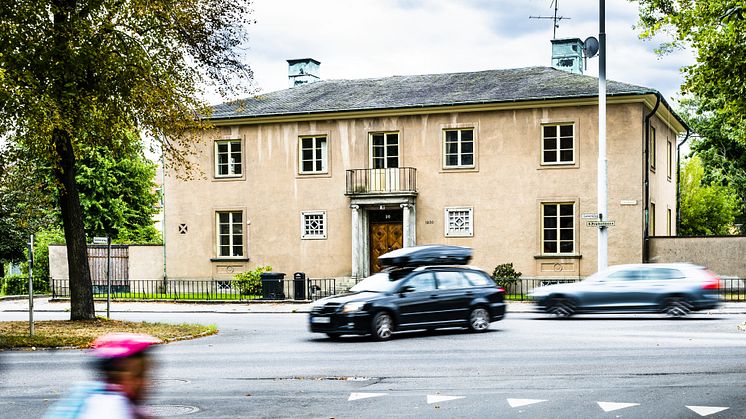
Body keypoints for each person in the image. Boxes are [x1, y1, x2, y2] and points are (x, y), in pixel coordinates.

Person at [44, 332, 161, 419]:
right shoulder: (108, 408)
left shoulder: (127, 405)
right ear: (115, 377)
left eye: (147, 374)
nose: (146, 383)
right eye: (138, 375)